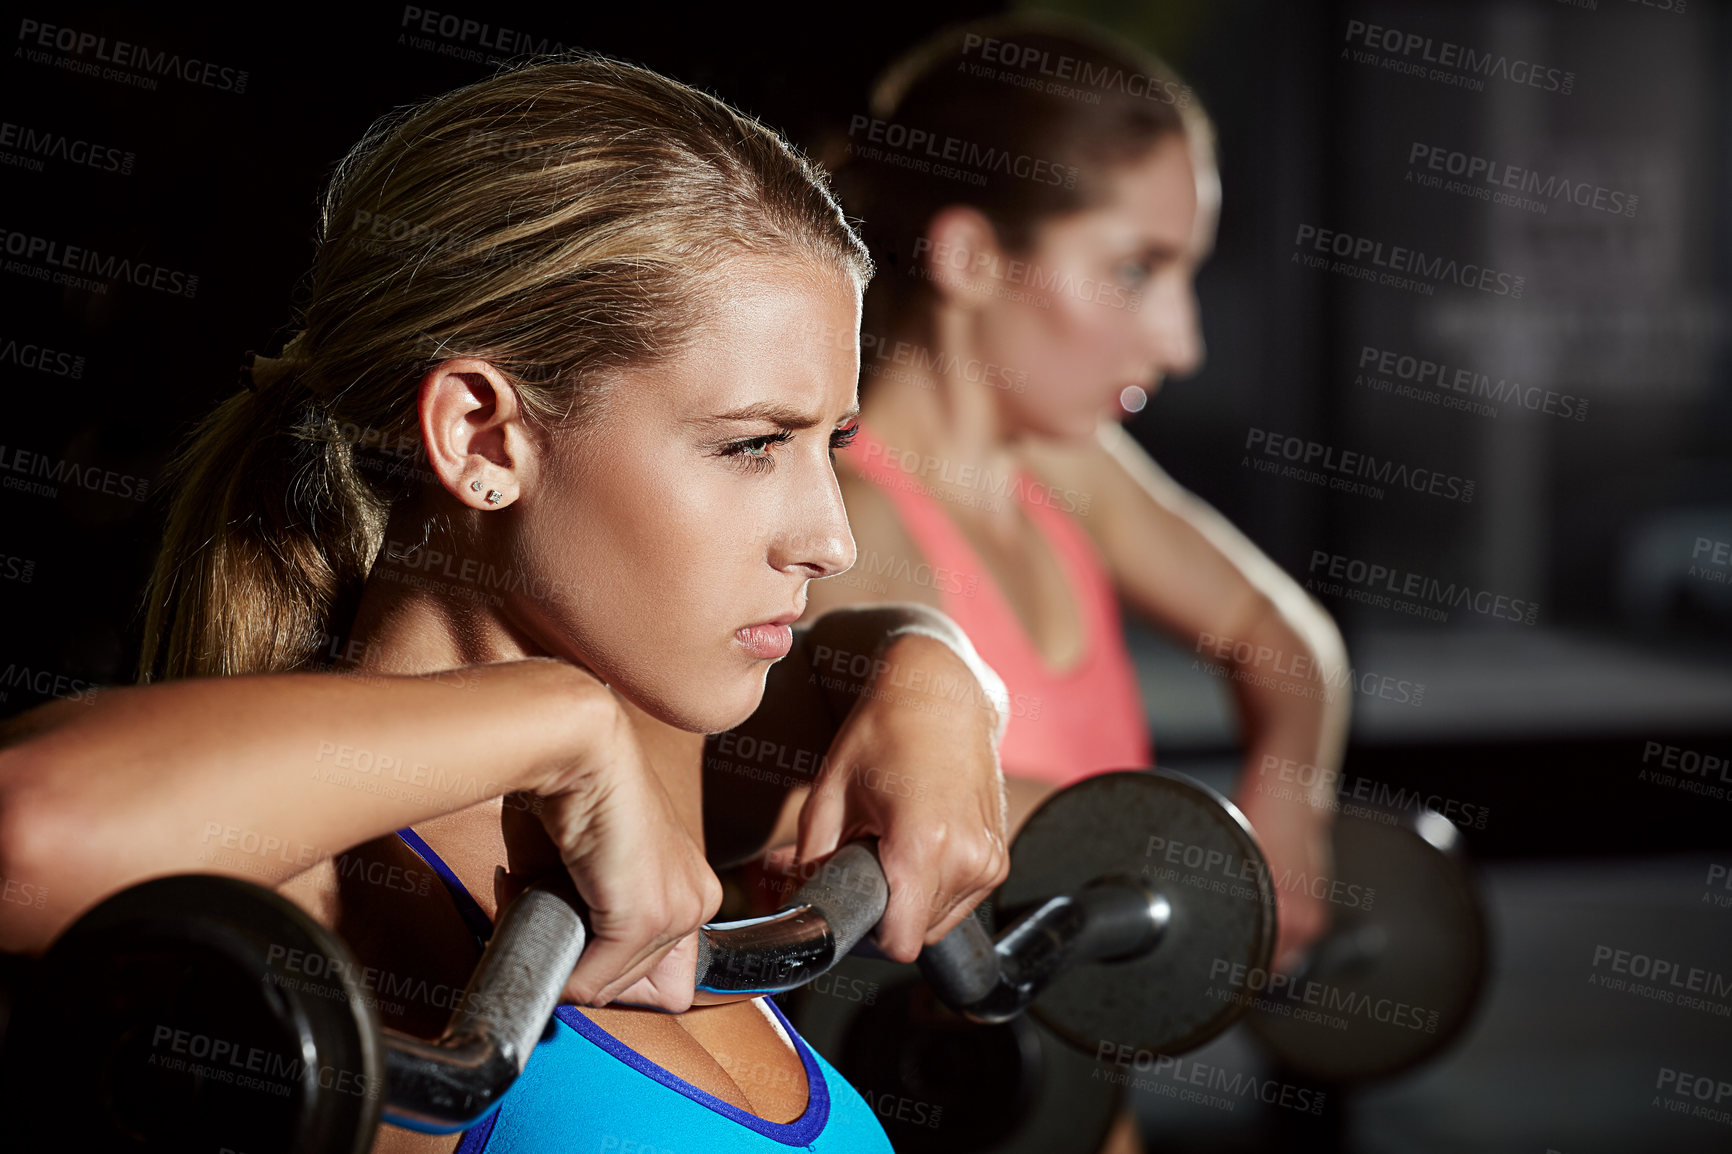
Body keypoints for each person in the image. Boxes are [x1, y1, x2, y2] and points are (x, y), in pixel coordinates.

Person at [0, 54, 1016, 1154]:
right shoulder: (333, 873)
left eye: (833, 442)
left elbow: (844, 661)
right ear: (484, 435)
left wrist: (935, 670)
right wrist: (554, 720)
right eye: (751, 444)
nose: (831, 538)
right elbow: (27, 826)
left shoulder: (654, 762)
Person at [801, 16, 1353, 1153]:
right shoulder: (850, 530)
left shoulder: (1067, 469)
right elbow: (945, 823)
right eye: (1135, 270)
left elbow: (1282, 637)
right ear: (969, 259)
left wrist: (1286, 804)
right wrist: (1222, 874)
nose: (1181, 339)